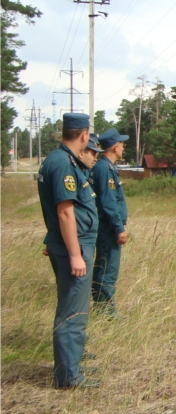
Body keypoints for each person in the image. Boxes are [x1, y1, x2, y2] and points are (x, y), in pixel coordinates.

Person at [37, 113, 100, 389]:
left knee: (72, 307)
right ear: (84, 135)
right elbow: (64, 212)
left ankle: (71, 364)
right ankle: (68, 377)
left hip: (66, 243)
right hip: (73, 246)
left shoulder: (57, 159)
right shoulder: (63, 163)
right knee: (73, 312)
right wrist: (75, 254)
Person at [91, 128, 129, 318]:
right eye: (121, 144)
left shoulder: (106, 167)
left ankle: (102, 307)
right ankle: (106, 312)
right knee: (107, 268)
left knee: (103, 266)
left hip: (108, 227)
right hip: (108, 228)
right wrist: (119, 227)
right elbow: (108, 202)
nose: (123, 147)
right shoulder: (104, 168)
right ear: (115, 147)